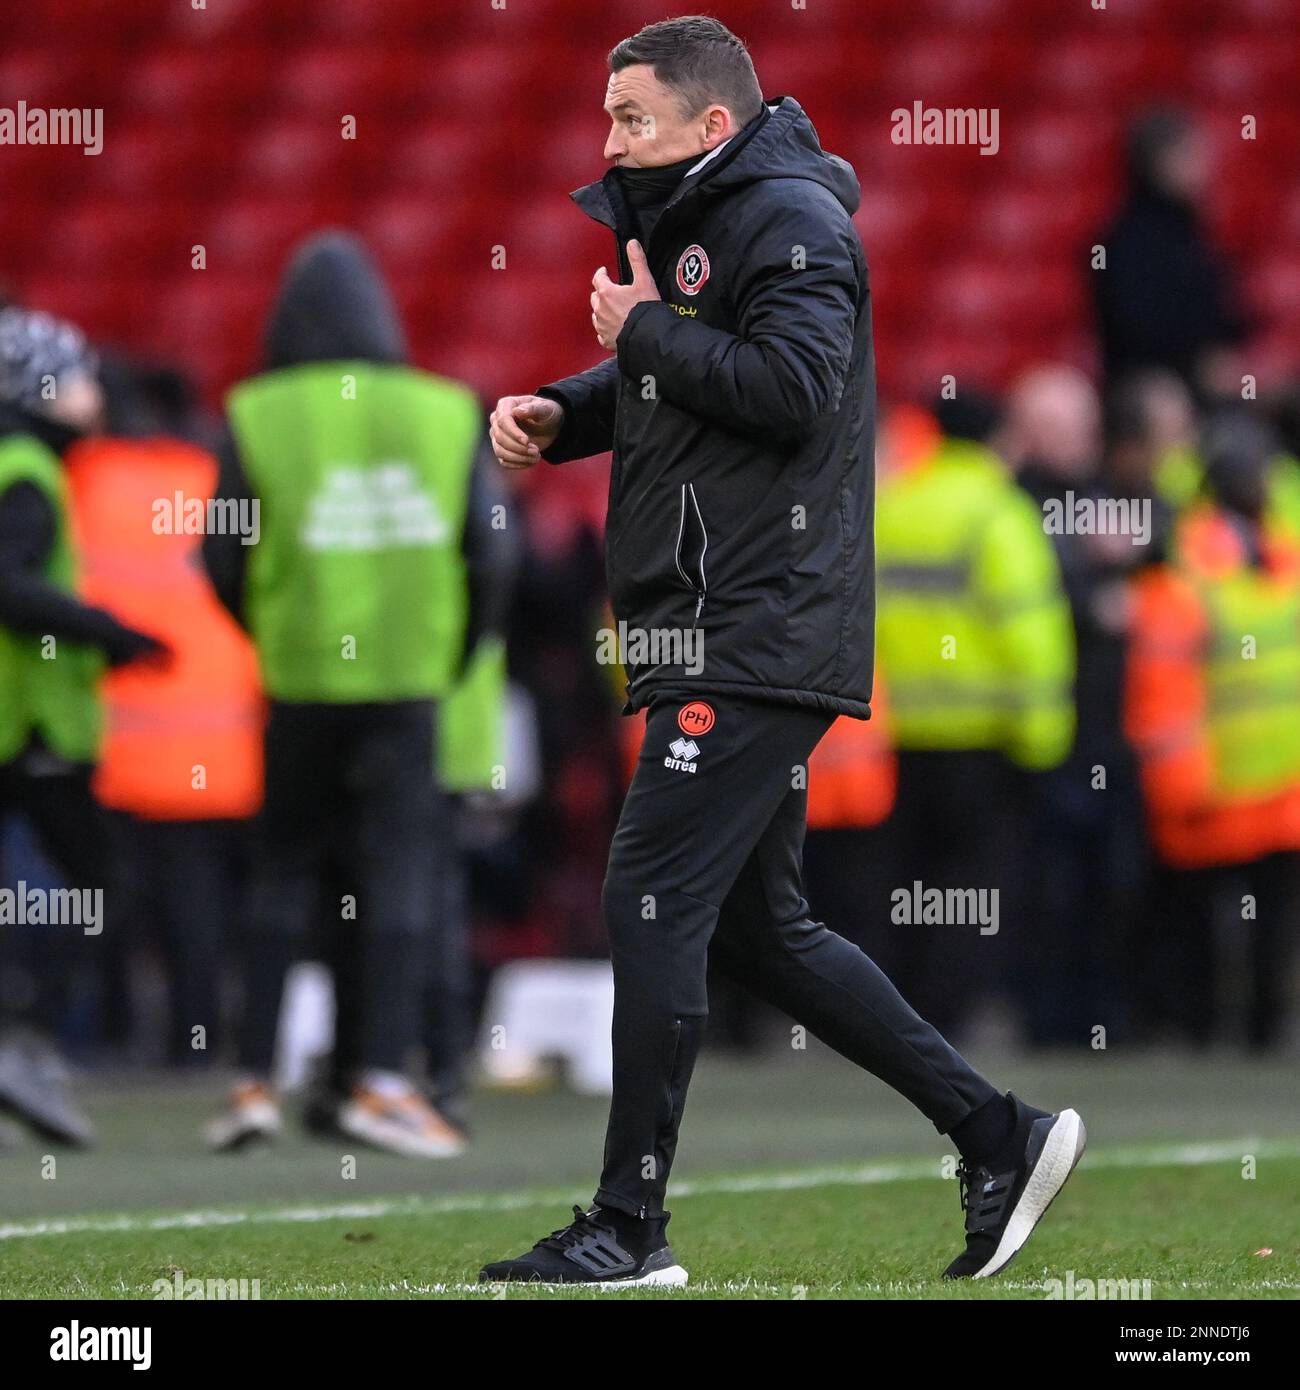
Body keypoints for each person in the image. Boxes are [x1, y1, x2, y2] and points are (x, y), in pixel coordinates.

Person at [479, 15, 1085, 1287]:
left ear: (712, 124)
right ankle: (996, 1133)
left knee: (648, 894)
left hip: (753, 622)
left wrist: (637, 337)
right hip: (714, 616)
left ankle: (628, 1225)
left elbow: (797, 386)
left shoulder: (794, 221)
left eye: (631, 118)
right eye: (606, 117)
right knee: (760, 930)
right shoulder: (700, 224)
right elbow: (697, 387)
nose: (608, 142)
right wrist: (567, 403)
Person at [201, 231, 510, 1156]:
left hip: (300, 682)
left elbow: (221, 552)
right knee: (398, 880)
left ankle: (253, 1080)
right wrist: (455, 654)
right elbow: (492, 550)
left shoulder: (256, 412)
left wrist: (274, 634)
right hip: (409, 680)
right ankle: (380, 1081)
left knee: (283, 873)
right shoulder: (445, 410)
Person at [0, 308, 167, 1143]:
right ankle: (22, 1037)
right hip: (28, 725)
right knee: (99, 887)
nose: (95, 393)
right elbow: (11, 585)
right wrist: (109, 633)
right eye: (80, 377)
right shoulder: (26, 467)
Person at [874, 387, 1077, 1035]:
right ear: (997, 440)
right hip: (985, 740)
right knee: (973, 894)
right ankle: (946, 1023)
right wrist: (1044, 740)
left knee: (907, 885)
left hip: (899, 735)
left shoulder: (894, 505)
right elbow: (1031, 634)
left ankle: (894, 1019)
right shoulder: (997, 513)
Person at [1126, 413, 1300, 1049]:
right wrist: (1180, 782)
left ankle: (1260, 1027)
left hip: (1280, 784)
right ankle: (1201, 1026)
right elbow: (1163, 687)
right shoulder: (1188, 568)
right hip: (1215, 784)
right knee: (1199, 920)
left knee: (1268, 923)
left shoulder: (1281, 553)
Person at [1093, 107, 1246, 398]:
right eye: (1190, 155)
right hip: (1149, 391)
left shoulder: (1192, 230)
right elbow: (1135, 326)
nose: (1204, 166)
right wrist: (1198, 362)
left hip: (1201, 383)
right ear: (1159, 161)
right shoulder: (1124, 241)